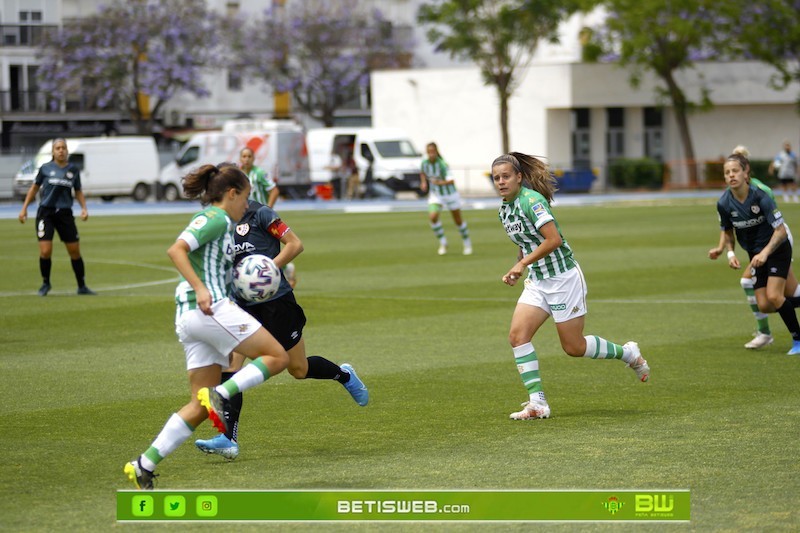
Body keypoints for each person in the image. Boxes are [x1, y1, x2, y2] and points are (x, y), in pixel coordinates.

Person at [124, 164, 291, 490]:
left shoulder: (225, 225)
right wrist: (202, 288)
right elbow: (177, 249)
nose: (247, 204)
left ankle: (144, 464)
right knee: (277, 357)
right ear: (231, 194)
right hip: (208, 308)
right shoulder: (214, 218)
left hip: (192, 317)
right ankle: (221, 393)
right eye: (245, 197)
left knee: (199, 407)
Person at [193, 199, 368, 459]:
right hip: (241, 304)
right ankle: (228, 439)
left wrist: (265, 271)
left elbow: (295, 245)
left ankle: (343, 375)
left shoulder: (261, 214)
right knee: (231, 365)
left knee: (299, 369)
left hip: (277, 302)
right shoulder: (218, 223)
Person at [491, 152, 649, 421]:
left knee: (573, 347)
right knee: (517, 337)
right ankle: (537, 403)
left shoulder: (533, 201)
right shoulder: (504, 209)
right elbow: (527, 241)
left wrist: (522, 264)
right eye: (496, 178)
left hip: (563, 278)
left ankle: (628, 353)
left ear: (519, 177)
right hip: (538, 280)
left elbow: (552, 240)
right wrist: (519, 266)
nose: (501, 182)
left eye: (506, 176)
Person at [708, 146, 800, 349]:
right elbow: (728, 230)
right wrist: (728, 252)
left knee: (775, 295)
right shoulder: (723, 203)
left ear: (745, 172)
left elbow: (780, 229)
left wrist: (766, 252)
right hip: (756, 252)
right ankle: (768, 330)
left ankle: (796, 339)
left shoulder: (761, 194)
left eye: (735, 171)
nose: (731, 175)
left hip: (777, 245)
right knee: (766, 304)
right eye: (727, 172)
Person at [17, 138, 95, 296]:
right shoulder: (45, 169)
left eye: (63, 148)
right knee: (45, 251)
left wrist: (84, 208)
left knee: (74, 251)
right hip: (46, 213)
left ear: (67, 151)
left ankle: (82, 286)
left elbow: (78, 191)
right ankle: (45, 283)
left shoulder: (73, 170)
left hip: (65, 214)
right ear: (53, 152)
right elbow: (34, 188)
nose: (61, 150)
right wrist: (24, 208)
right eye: (58, 148)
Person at [420, 142, 472, 255]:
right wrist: (423, 182)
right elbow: (422, 173)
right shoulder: (424, 163)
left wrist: (439, 183)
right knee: (433, 217)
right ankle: (443, 243)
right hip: (436, 195)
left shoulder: (442, 164)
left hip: (450, 194)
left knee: (457, 220)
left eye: (433, 152)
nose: (431, 154)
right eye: (429, 152)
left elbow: (451, 180)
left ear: (436, 152)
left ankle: (467, 243)